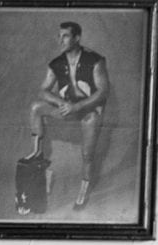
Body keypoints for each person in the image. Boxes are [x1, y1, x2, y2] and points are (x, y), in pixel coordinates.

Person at [22, 21, 109, 210]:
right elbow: (43, 90)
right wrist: (62, 103)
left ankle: (83, 191)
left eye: (65, 36)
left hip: (89, 110)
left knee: (87, 155)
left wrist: (76, 106)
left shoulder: (95, 60)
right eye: (59, 36)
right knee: (36, 107)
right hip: (68, 108)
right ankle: (37, 152)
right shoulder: (56, 63)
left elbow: (102, 92)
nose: (60, 40)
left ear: (77, 38)